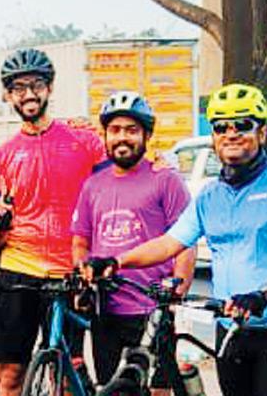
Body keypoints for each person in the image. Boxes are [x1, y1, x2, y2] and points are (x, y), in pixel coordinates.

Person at [87, 83, 267, 396]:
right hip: (229, 326)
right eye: (221, 127)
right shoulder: (210, 195)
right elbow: (169, 243)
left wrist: (264, 294)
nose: (231, 134)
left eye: (243, 124)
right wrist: (116, 261)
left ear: (262, 132)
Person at [0, 48, 104, 396]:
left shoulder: (85, 142)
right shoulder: (2, 156)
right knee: (9, 377)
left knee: (68, 376)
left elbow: (121, 183)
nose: (28, 94)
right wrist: (1, 222)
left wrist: (160, 163)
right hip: (19, 269)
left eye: (36, 85)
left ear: (49, 88)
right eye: (18, 88)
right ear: (8, 95)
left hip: (70, 271)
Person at [71, 92, 194, 394]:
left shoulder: (166, 180)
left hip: (151, 308)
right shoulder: (93, 185)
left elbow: (186, 240)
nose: (122, 137)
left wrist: (177, 293)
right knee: (112, 388)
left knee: (157, 391)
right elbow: (80, 241)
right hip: (107, 309)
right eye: (115, 130)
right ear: (105, 135)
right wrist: (84, 271)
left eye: (131, 130)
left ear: (147, 135)